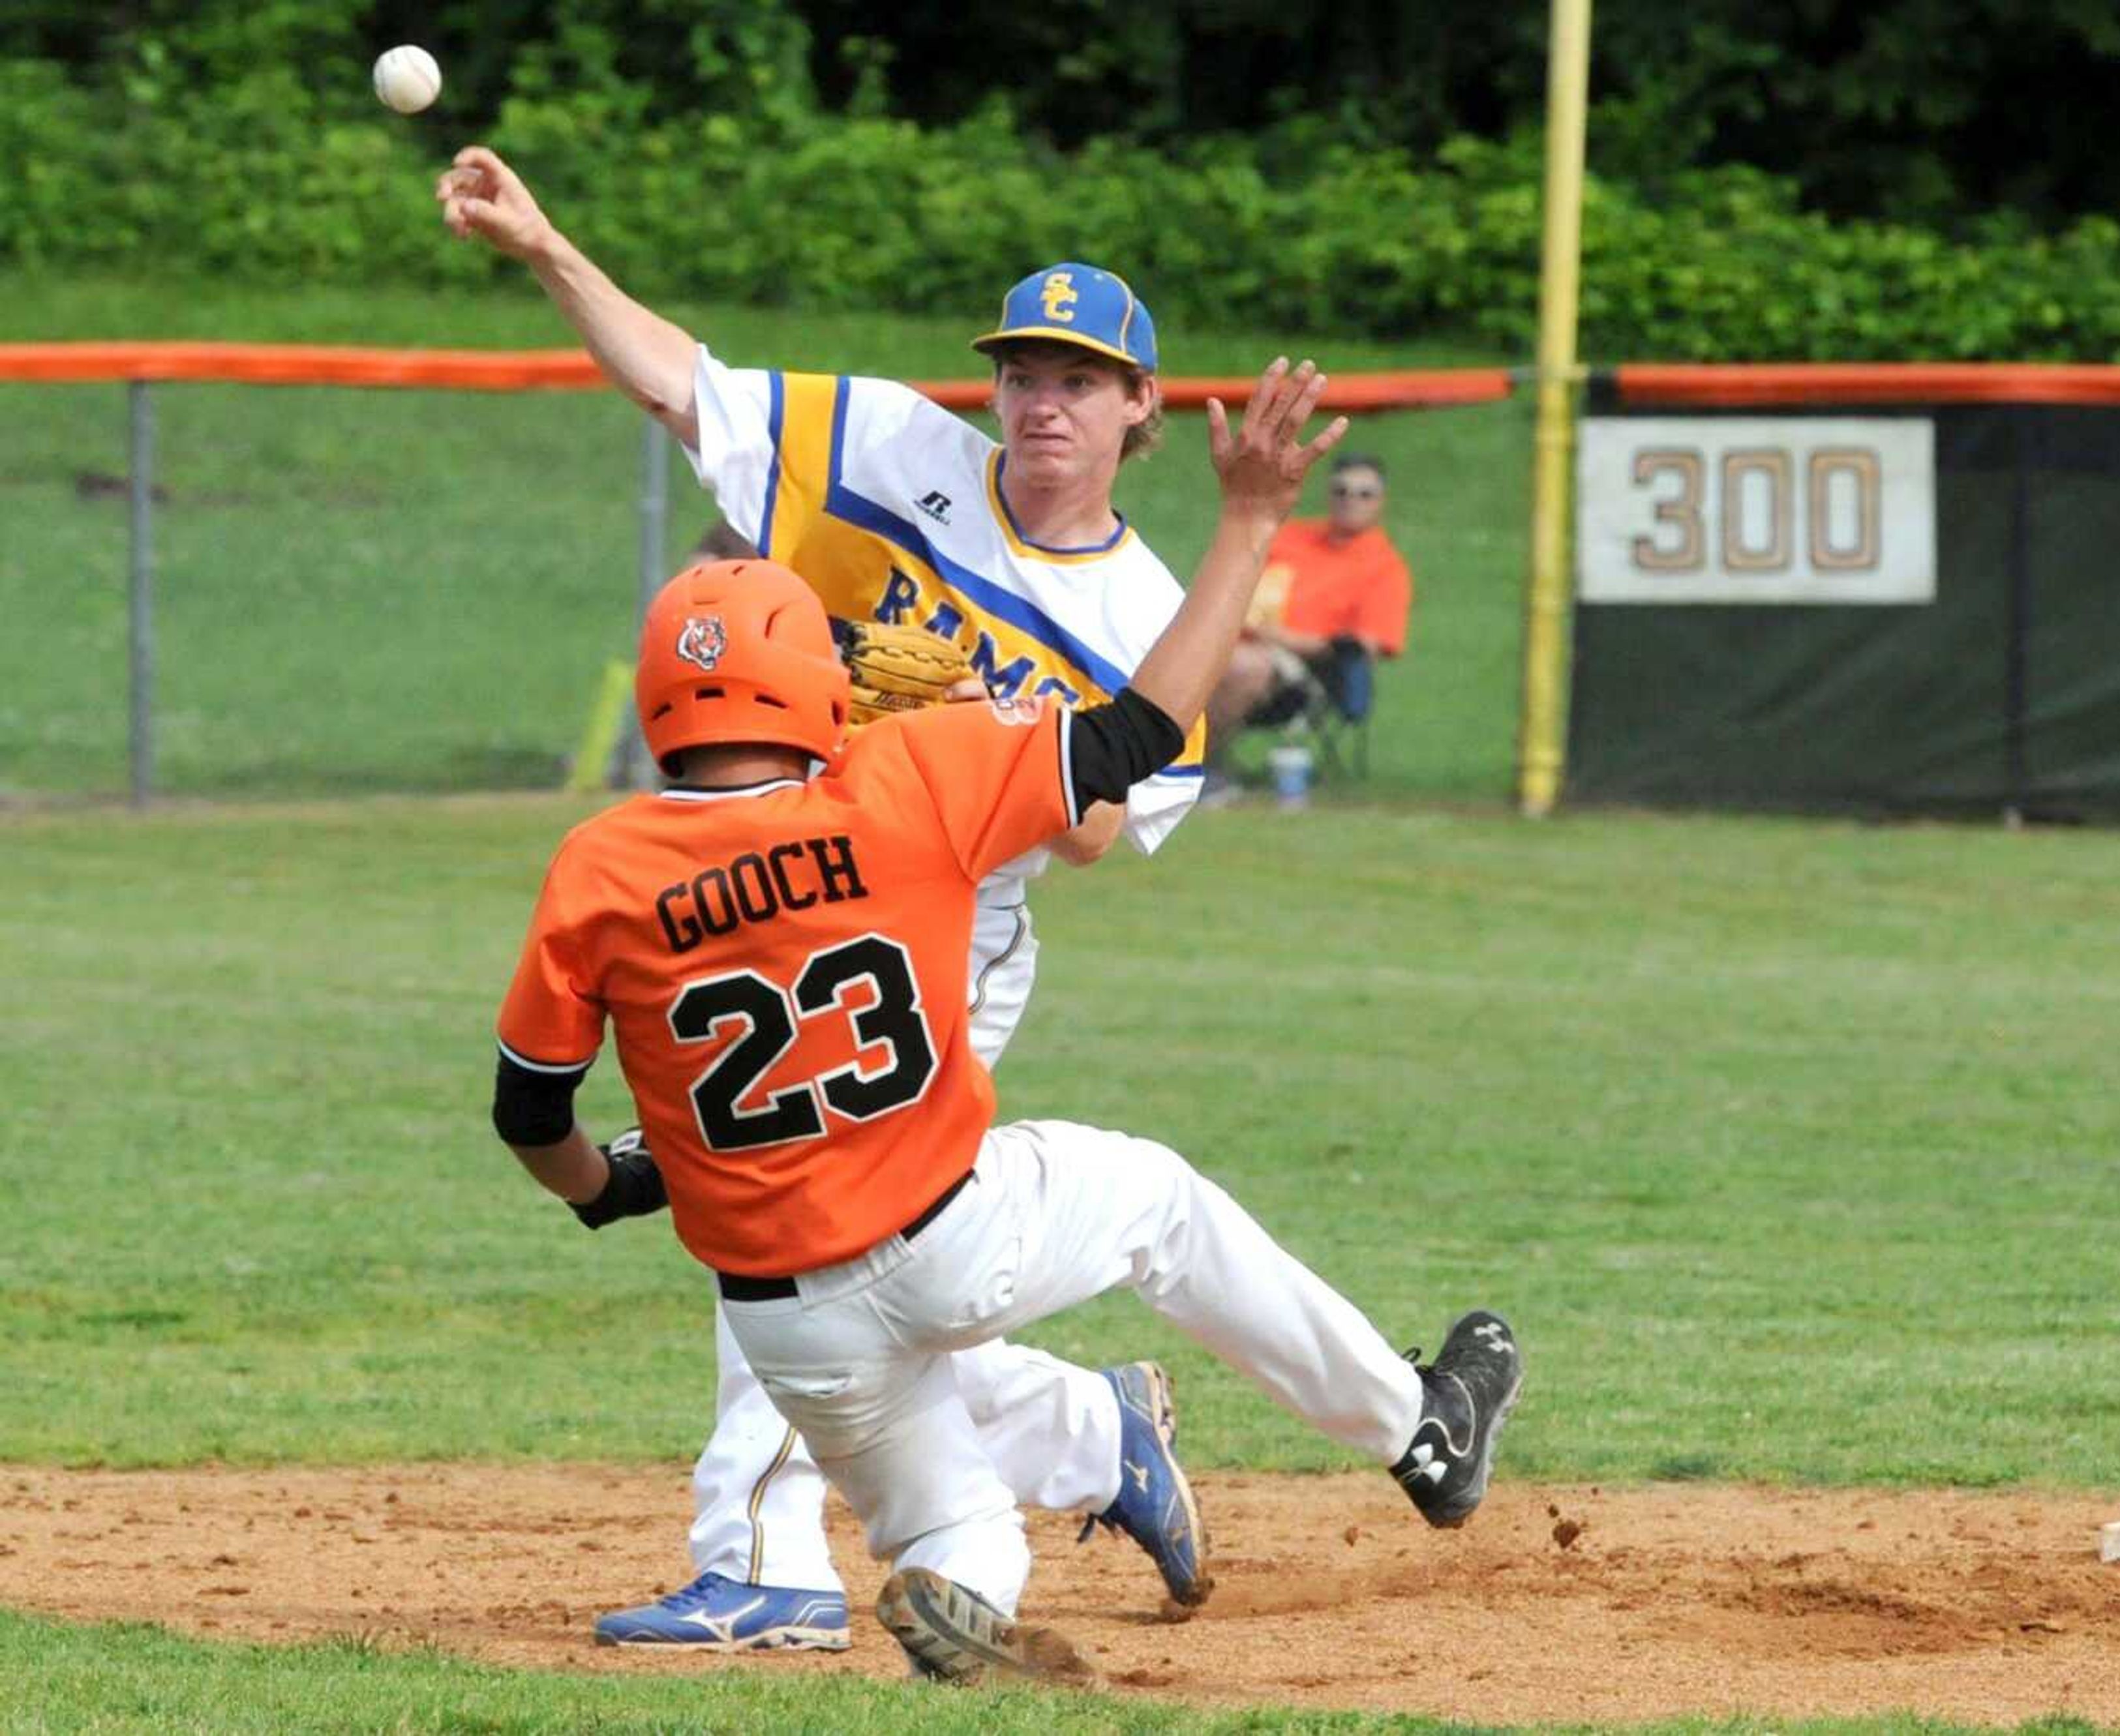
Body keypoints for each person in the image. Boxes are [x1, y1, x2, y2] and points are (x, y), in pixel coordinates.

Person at [488, 359, 1522, 1683]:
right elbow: (1143, 727)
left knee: (955, 1526)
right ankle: (1414, 1428)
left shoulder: (601, 865)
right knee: (1159, 1202)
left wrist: (614, 1185)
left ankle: (970, 1585)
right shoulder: (908, 776)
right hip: (939, 1233)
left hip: (783, 1322)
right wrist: (1251, 523)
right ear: (820, 688)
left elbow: (528, 1109)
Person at [436, 147, 1214, 1644]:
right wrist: (544, 246)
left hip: (944, 920)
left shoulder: (1144, 610)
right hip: (770, 872)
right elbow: (684, 386)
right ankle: (1088, 1436)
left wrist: (978, 713)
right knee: (821, 1247)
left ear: (1139, 409)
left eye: (1079, 373)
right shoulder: (890, 444)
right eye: (1024, 368)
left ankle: (771, 1568)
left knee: (789, 1223)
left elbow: (1101, 825)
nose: (1041, 396)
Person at [1207, 453, 1413, 770]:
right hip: (1229, 637)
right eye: (1341, 491)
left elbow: (1360, 648)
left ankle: (1197, 766)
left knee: (1241, 665)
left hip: (1304, 672)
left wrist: (1280, 638)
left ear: (1381, 502)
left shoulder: (1386, 568)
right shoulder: (1290, 537)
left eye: (1364, 494)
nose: (1351, 500)